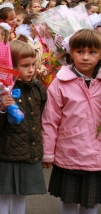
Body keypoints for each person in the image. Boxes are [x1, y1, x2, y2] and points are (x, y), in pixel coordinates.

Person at [42, 29, 101, 214]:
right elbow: (50, 120)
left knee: (90, 203)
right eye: (79, 51)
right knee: (68, 201)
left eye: (92, 52)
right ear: (71, 52)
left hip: (97, 155)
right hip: (69, 152)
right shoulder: (60, 83)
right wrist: (48, 153)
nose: (85, 57)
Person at [0, 39, 47, 214]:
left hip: (28, 150)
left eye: (33, 65)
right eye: (25, 66)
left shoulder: (38, 88)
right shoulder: (1, 90)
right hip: (8, 152)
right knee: (5, 195)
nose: (31, 70)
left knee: (22, 194)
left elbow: (41, 116)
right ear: (11, 66)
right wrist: (1, 107)